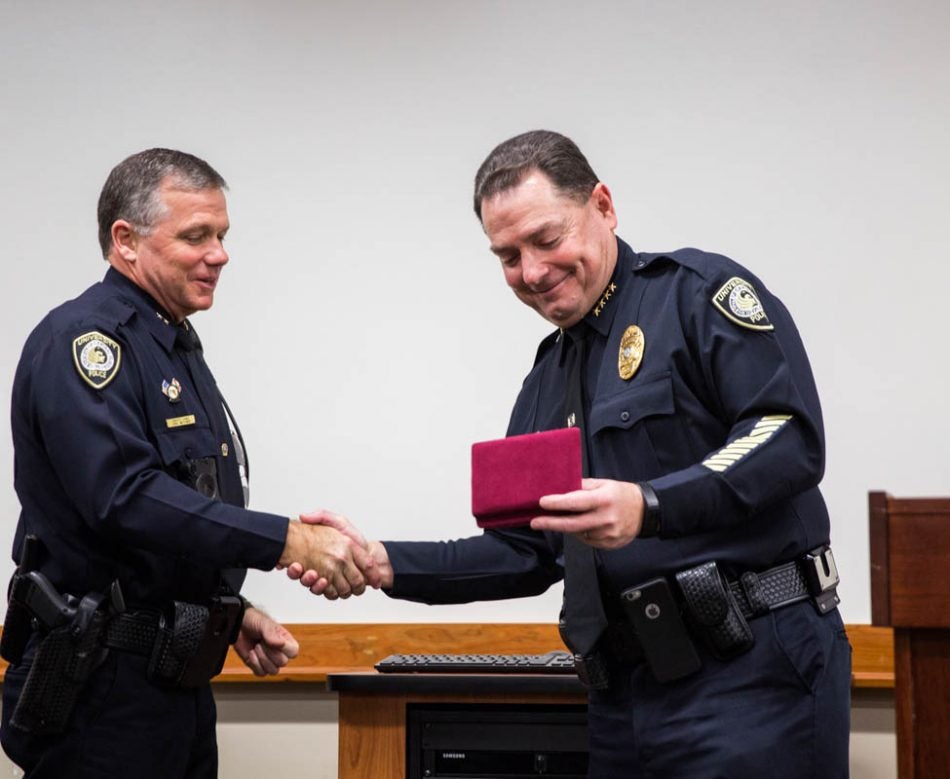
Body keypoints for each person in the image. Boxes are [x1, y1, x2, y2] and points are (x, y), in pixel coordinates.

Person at [291, 130, 852, 777]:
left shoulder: (696, 294)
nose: (530, 271)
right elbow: (526, 548)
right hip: (624, 698)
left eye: (547, 239)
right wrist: (383, 562)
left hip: (753, 678)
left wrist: (650, 504)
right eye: (507, 255)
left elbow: (789, 436)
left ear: (604, 207)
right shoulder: (547, 375)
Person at [1, 148, 379, 777]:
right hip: (101, 691)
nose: (220, 254)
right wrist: (287, 540)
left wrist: (228, 611)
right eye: (196, 236)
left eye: (222, 235)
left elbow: (170, 523)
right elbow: (127, 498)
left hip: (172, 679)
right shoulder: (90, 343)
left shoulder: (170, 343)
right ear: (125, 240)